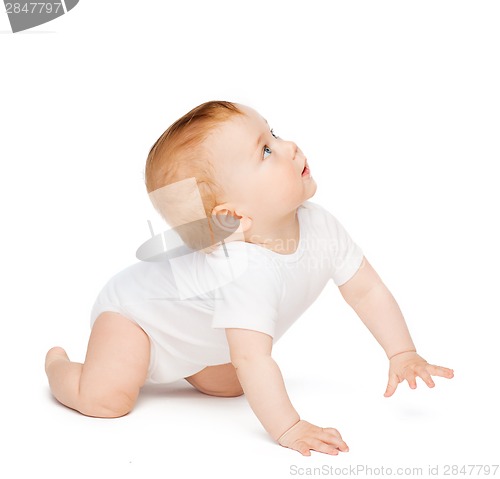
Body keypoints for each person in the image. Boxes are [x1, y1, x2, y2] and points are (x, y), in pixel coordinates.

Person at [45, 100, 454, 456]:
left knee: (231, 387)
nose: (288, 147)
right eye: (265, 151)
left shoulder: (321, 226)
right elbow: (252, 357)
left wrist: (402, 352)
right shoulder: (245, 268)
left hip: (195, 335)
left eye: (273, 135)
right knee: (107, 401)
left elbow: (366, 290)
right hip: (134, 319)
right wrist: (289, 427)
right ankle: (63, 369)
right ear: (232, 217)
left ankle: (182, 363)